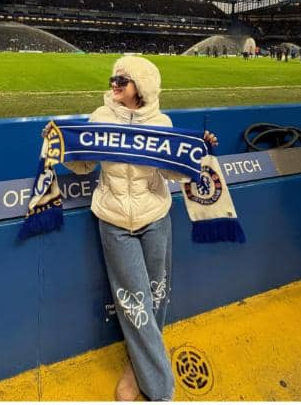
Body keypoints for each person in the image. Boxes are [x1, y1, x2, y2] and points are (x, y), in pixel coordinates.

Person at [45, 56, 217, 401]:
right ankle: (161, 390)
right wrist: (61, 146)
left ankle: (135, 368)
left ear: (142, 85)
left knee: (156, 297)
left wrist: (196, 155)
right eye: (113, 80)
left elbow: (174, 174)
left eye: (122, 81)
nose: (114, 86)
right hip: (113, 221)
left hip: (155, 217)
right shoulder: (100, 118)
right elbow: (82, 166)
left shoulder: (161, 122)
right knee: (134, 302)